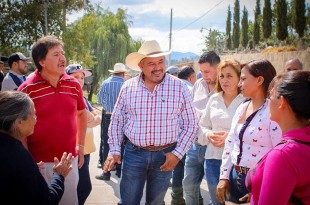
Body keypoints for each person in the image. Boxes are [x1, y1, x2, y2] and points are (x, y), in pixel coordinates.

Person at [103, 40, 198, 205]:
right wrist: (115, 150)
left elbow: (191, 124)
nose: (158, 67)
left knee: (155, 202)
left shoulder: (179, 87)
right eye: (151, 63)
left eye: (161, 61)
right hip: (134, 153)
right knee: (128, 201)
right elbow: (117, 121)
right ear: (141, 66)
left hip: (166, 154)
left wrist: (177, 154)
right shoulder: (128, 87)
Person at [18, 35, 87, 205]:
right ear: (41, 61)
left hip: (68, 161)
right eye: (56, 55)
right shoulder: (26, 89)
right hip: (39, 163)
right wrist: (27, 160)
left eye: (62, 53)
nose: (62, 58)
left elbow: (81, 114)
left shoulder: (74, 85)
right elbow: (18, 130)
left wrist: (81, 146)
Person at [216, 59, 282, 204]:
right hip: (234, 177)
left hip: (259, 181)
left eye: (244, 79)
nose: (239, 84)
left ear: (259, 80)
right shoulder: (242, 107)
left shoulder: (272, 111)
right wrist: (224, 176)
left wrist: (262, 188)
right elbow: (231, 142)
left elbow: (278, 155)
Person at [246, 70, 310, 204]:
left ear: (282, 102)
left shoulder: (283, 155)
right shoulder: (303, 140)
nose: (267, 101)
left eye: (270, 96)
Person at [0, 91, 74, 205]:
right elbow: (45, 201)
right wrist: (59, 175)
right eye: (33, 114)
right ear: (19, 121)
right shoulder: (18, 156)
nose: (36, 119)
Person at [197, 59, 244, 205]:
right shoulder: (214, 99)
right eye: (221, 76)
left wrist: (229, 137)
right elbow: (202, 126)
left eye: (229, 76)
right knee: (216, 201)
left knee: (234, 202)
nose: (224, 80)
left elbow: (252, 132)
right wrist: (209, 135)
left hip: (236, 163)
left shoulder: (246, 101)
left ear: (239, 78)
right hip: (212, 159)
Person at [183, 51, 220, 205]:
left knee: (215, 192)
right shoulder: (198, 85)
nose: (203, 75)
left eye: (207, 71)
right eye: (201, 71)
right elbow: (190, 110)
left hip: (214, 147)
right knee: (189, 185)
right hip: (194, 145)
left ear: (218, 68)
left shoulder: (225, 89)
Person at [65, 64, 101, 205]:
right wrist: (90, 119)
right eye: (75, 77)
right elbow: (85, 119)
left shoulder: (83, 98)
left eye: (81, 77)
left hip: (86, 149)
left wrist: (92, 119)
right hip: (76, 148)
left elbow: (96, 118)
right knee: (83, 188)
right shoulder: (68, 96)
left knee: (81, 187)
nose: (79, 80)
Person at [96, 62, 127, 180]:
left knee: (106, 143)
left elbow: (99, 100)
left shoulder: (105, 83)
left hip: (108, 115)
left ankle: (106, 173)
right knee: (122, 143)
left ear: (113, 72)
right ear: (123, 73)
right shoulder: (126, 84)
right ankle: (120, 171)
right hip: (123, 117)